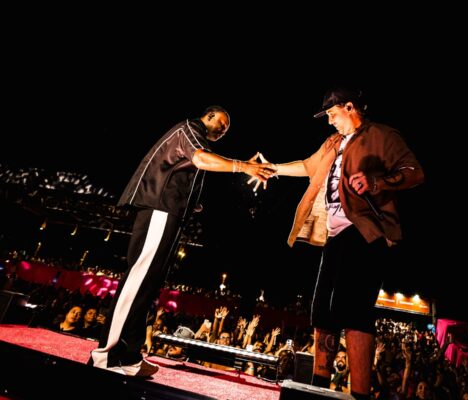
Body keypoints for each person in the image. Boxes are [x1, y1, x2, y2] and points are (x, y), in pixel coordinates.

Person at [257, 87, 423, 399]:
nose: (330, 121)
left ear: (349, 107)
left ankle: (359, 394)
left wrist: (377, 182)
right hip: (334, 234)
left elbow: (414, 172)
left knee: (355, 310)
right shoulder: (334, 142)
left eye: (333, 114)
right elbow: (308, 166)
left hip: (365, 230)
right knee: (322, 311)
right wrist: (273, 169)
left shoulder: (381, 135)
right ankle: (319, 386)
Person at [89, 105, 275, 377]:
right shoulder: (189, 129)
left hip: (171, 213)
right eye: (221, 124)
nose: (223, 131)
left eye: (226, 130)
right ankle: (108, 354)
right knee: (140, 278)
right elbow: (201, 159)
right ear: (208, 116)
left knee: (149, 286)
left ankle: (128, 355)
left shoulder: (198, 140)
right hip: (160, 208)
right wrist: (243, 166)